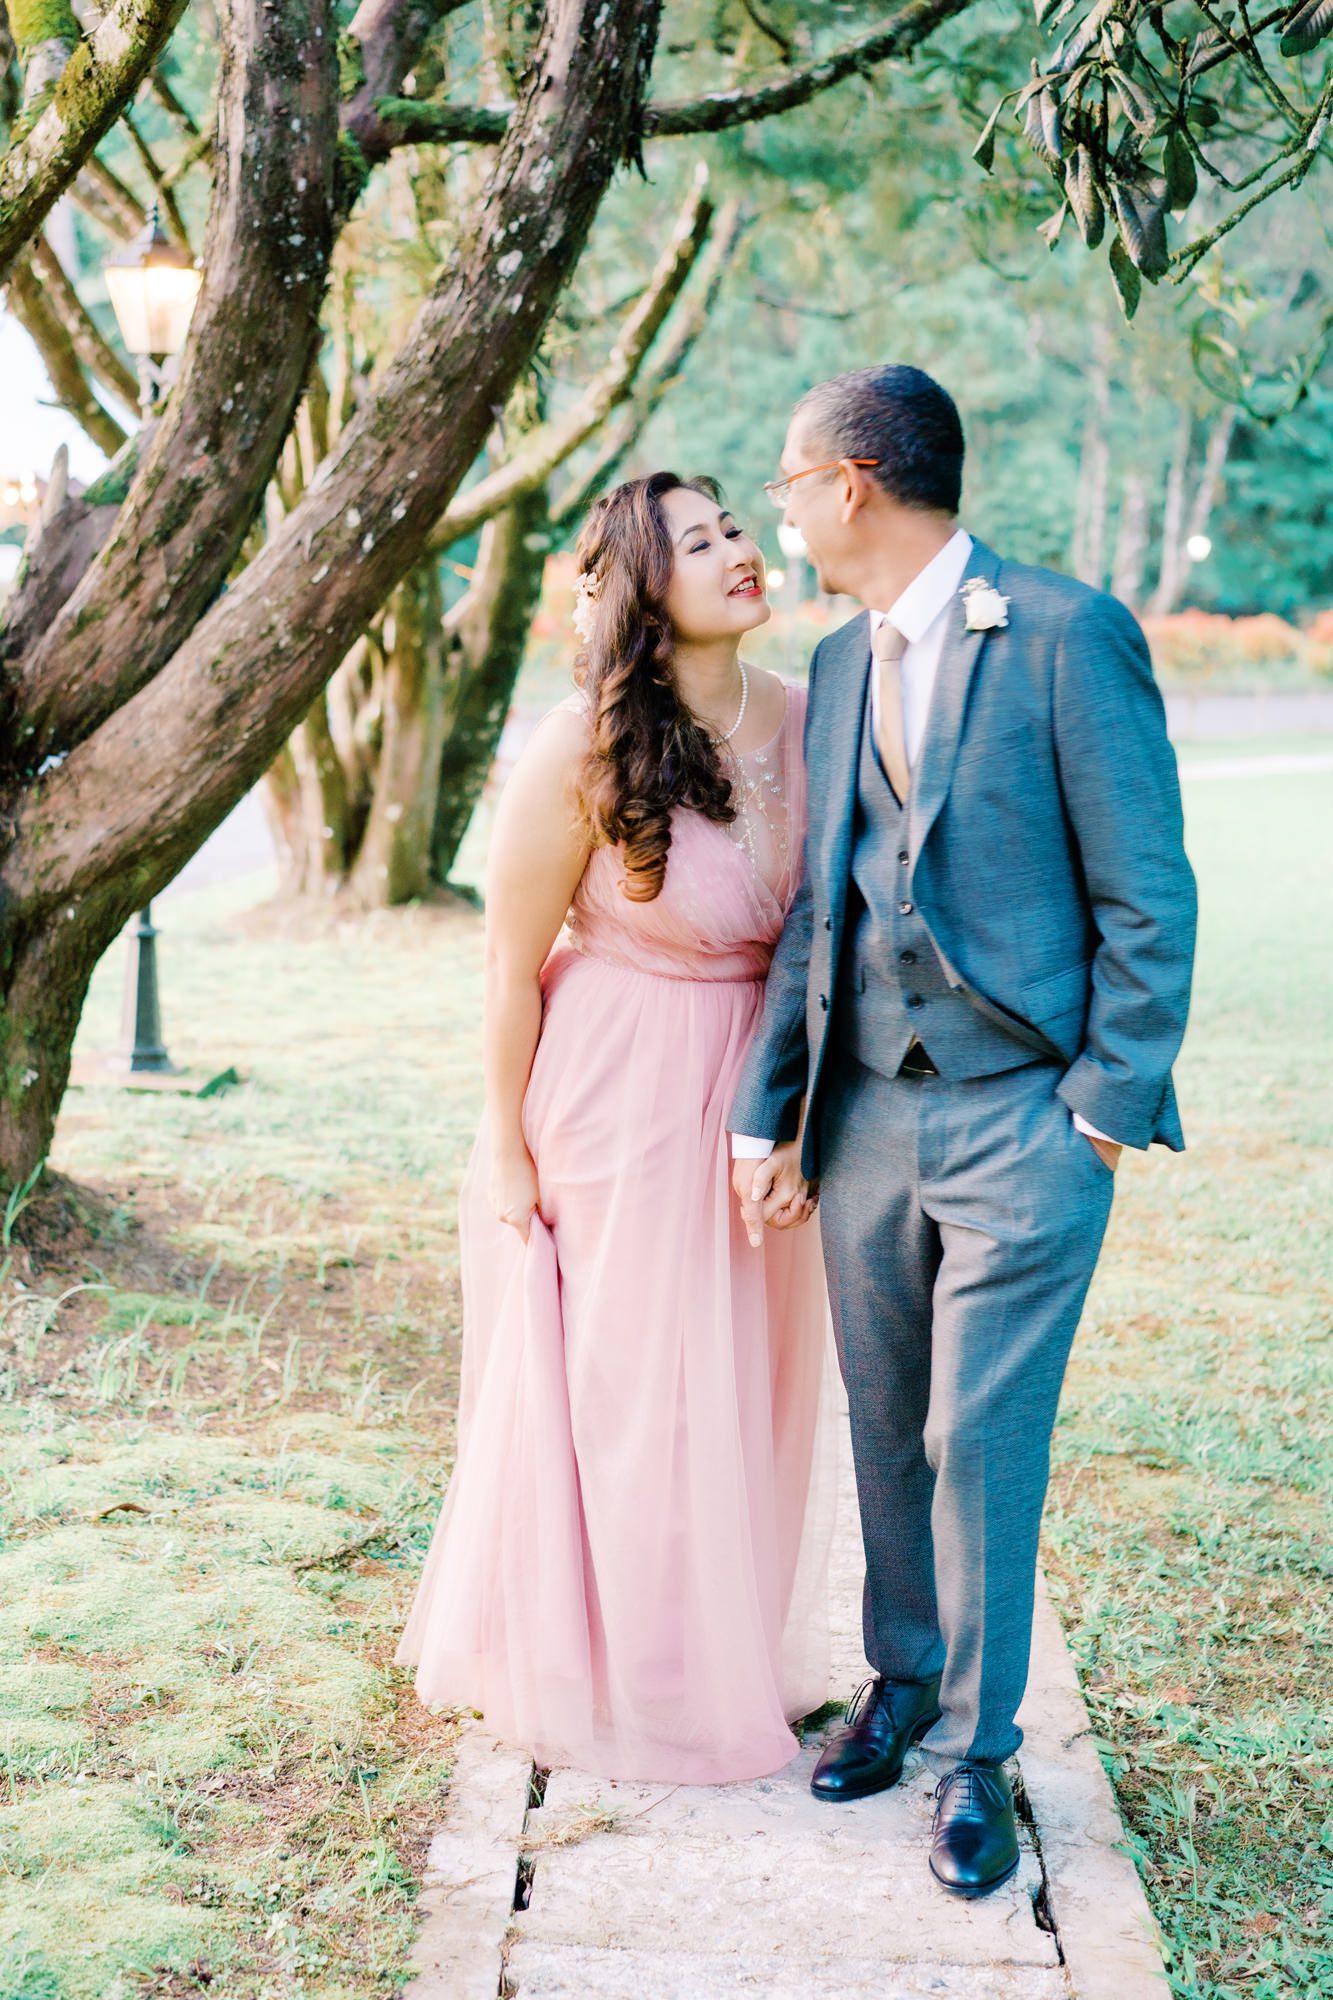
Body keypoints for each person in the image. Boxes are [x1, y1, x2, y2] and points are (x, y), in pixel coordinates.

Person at [729, 365, 1197, 1895]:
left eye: (789, 481)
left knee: (975, 1436)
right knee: (883, 1427)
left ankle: (976, 1757)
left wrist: (1101, 1114)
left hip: (1023, 1118)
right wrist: (776, 1116)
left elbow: (1146, 895)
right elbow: (820, 911)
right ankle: (903, 1679)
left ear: (850, 482)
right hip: (866, 1112)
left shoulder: (1065, 633)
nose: (780, 508)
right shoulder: (841, 660)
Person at [397, 472, 834, 1784]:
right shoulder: (581, 743)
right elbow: (508, 964)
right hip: (614, 1089)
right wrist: (502, 1141)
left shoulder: (811, 721)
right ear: (647, 589)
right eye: (698, 543)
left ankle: (719, 1654)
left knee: (745, 1380)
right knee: (632, 1394)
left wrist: (810, 1110)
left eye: (736, 529)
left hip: (763, 1089)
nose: (739, 554)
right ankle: (618, 1674)